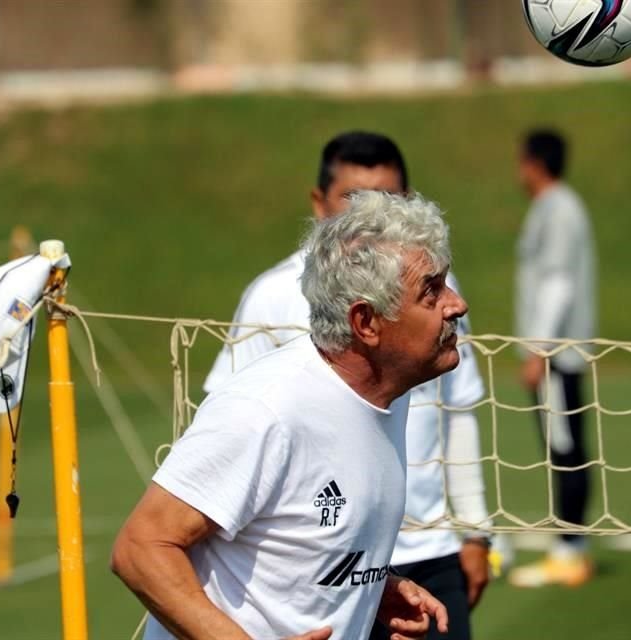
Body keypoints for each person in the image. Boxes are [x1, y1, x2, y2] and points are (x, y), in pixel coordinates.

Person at [112, 191, 463, 639]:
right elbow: (141, 547)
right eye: (431, 291)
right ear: (366, 323)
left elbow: (298, 536)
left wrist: (373, 587)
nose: (456, 304)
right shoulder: (266, 410)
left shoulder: (388, 396)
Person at [204, 131, 492, 640]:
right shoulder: (273, 300)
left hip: (419, 554)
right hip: (317, 569)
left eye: (392, 202)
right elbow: (218, 451)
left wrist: (474, 529)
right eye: (357, 203)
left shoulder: (433, 296)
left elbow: (458, 406)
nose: (377, 219)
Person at [509, 129, 597, 588]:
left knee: (565, 450)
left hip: (558, 355)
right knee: (561, 448)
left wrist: (539, 349)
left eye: (521, 161)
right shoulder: (553, 208)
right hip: (555, 353)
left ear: (535, 163)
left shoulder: (559, 210)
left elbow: (558, 282)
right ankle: (571, 547)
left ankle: (570, 551)